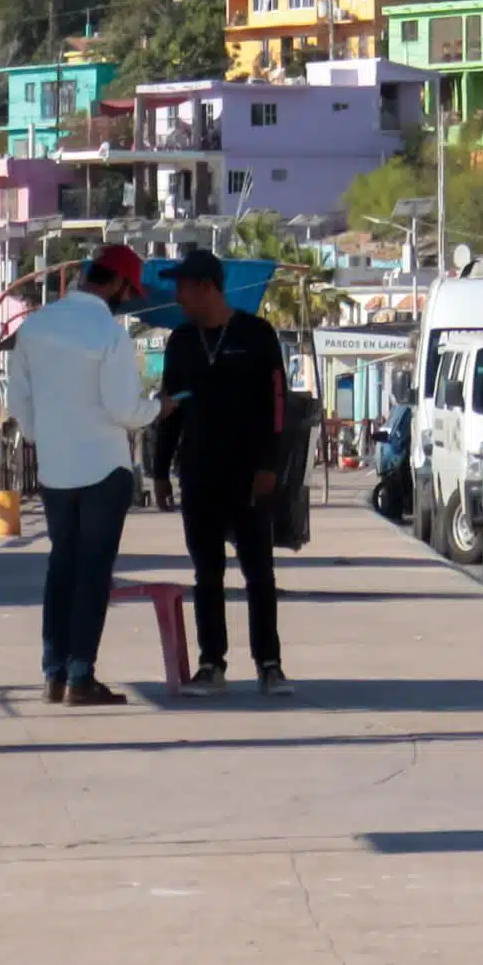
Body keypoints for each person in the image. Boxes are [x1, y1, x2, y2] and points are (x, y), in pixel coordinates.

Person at [0, 244, 157, 706]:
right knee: (93, 573)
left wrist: (44, 436)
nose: (127, 300)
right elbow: (125, 409)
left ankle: (52, 672)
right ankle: (81, 675)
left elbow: (20, 403)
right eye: (129, 292)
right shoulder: (110, 334)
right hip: (105, 469)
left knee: (61, 568)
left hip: (55, 470)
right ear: (118, 285)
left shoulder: (34, 326)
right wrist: (158, 408)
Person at [156, 249, 293, 694]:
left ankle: (269, 664)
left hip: (250, 472)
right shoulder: (179, 342)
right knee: (207, 573)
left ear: (206, 287)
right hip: (198, 473)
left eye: (182, 287)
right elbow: (170, 409)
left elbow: (277, 406)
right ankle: (211, 663)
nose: (177, 297)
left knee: (259, 570)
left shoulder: (256, 335)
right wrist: (160, 470)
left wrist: (270, 463)